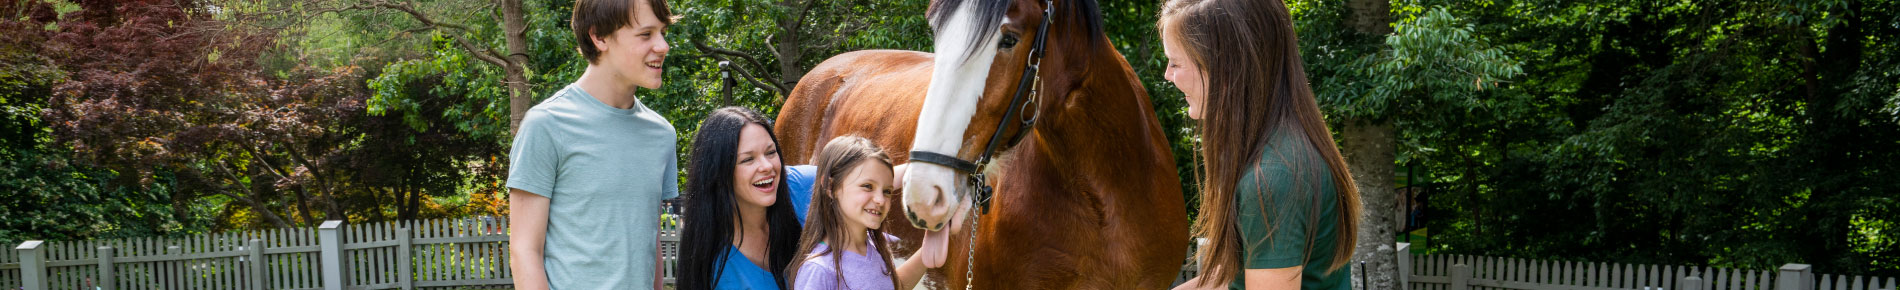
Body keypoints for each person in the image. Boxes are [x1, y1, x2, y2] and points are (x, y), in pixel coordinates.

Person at [1158, 0, 1365, 289]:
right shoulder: (1272, 152)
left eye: (1176, 62)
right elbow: (1231, 277)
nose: (1168, 74)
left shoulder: (1272, 179)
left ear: (1224, 68)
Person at [505, 0, 677, 288]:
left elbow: (649, 244)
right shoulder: (546, 124)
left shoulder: (662, 134)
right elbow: (524, 251)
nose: (662, 46)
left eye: (662, 32)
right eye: (646, 34)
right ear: (599, 37)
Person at [678, 107, 806, 290]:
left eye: (770, 152)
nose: (766, 166)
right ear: (719, 172)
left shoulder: (802, 187)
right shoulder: (714, 266)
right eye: (748, 160)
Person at [786, 136, 930, 290]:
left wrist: (927, 253)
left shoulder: (875, 245)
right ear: (830, 187)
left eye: (887, 191)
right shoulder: (818, 271)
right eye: (868, 186)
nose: (881, 200)